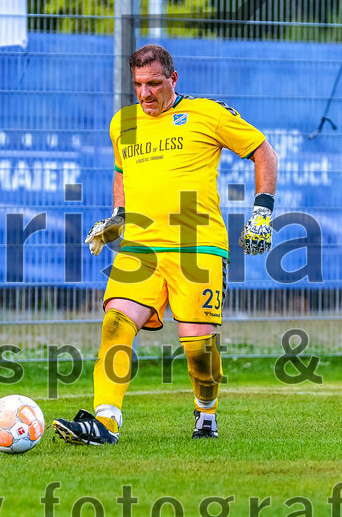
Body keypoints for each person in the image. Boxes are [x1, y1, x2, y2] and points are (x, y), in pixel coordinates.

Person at [53, 43, 278, 443]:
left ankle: (205, 412)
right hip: (141, 247)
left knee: (198, 350)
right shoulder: (122, 123)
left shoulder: (207, 114)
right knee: (115, 323)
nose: (145, 94)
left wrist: (262, 211)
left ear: (173, 80)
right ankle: (105, 423)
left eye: (154, 84)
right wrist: (119, 216)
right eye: (138, 85)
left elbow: (264, 152)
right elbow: (122, 172)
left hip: (198, 247)